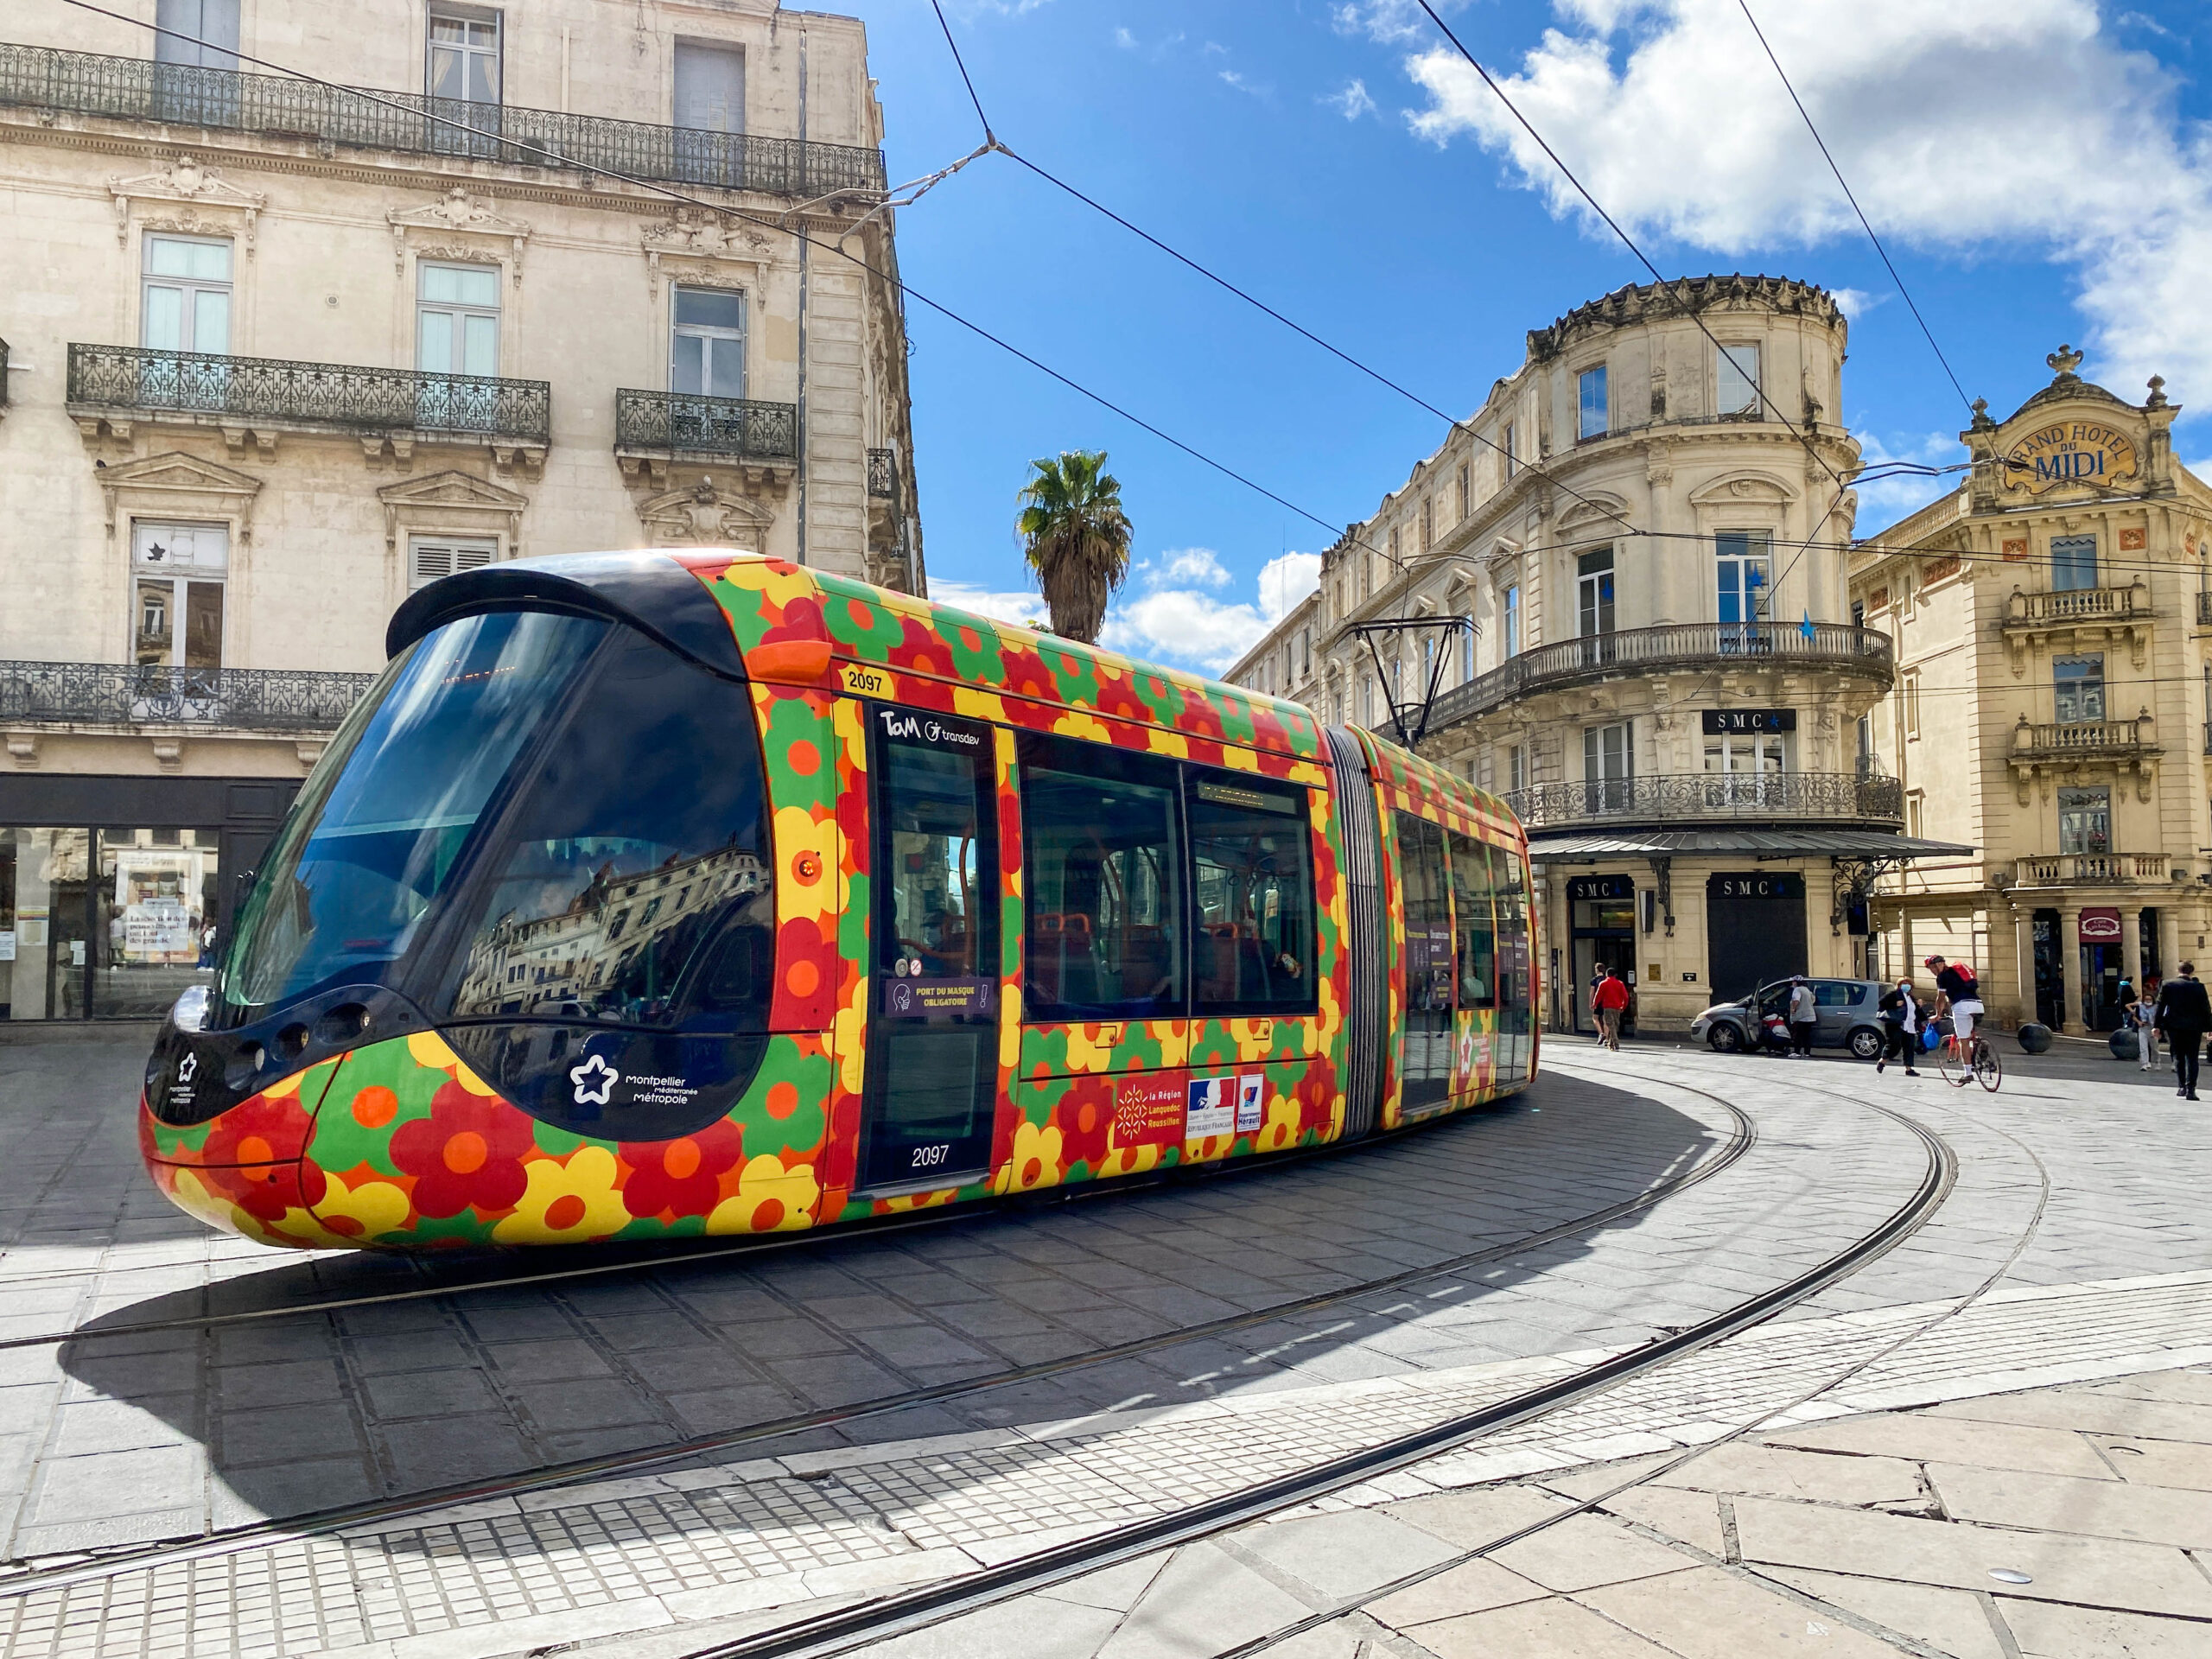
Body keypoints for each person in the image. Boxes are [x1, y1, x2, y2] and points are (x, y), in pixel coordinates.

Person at [2152, 962, 2211, 1100]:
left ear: (2178, 970)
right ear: (2192, 972)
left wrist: (2157, 1026)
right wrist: (2209, 1028)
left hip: (2175, 1026)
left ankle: (2181, 1087)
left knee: (2179, 1056)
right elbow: (2206, 1009)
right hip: (2194, 1027)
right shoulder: (2199, 987)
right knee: (2193, 1058)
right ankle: (2191, 1089)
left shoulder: (2168, 985)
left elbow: (2160, 1006)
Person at [1924, 955, 1984, 1054]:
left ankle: (1968, 1069)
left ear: (1941, 964)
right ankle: (1980, 1043)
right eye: (1931, 968)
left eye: (1934, 967)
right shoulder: (1959, 973)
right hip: (1978, 1005)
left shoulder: (1942, 976)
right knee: (1970, 1031)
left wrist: (1938, 1014)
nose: (1933, 970)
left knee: (1963, 1041)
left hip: (1962, 1006)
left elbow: (1941, 999)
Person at [1875, 977, 1922, 1076]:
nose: (1906, 986)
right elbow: (1882, 1002)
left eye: (1908, 984)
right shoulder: (1894, 995)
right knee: (1894, 1045)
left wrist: (1919, 1007)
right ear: (1899, 985)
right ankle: (1882, 1061)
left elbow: (1915, 1011)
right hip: (1896, 1024)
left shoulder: (1911, 998)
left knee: (1909, 1047)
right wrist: (1895, 1004)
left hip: (1909, 1026)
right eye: (1903, 984)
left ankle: (1909, 1069)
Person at [1592, 965, 1630, 1051]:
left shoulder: (1603, 983)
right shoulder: (1620, 983)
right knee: (1615, 1025)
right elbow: (1626, 997)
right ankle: (1611, 1044)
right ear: (1615, 975)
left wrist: (1595, 1004)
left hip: (1608, 1007)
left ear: (1607, 974)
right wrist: (1623, 1006)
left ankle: (1616, 1043)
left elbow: (1598, 995)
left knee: (1611, 1025)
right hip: (1617, 1007)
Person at [1787, 976, 1819, 1058]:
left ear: (1796, 982)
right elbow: (1813, 999)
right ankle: (1807, 1053)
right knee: (1806, 1035)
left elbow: (1796, 1000)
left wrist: (1793, 1009)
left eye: (1793, 981)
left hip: (1802, 1016)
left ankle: (1797, 1052)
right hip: (1810, 1016)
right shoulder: (1806, 990)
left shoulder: (1797, 990)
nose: (1792, 983)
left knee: (1798, 1035)